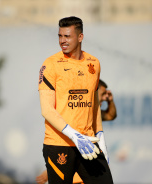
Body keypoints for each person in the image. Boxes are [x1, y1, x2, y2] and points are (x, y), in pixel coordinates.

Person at [38, 16, 113, 184]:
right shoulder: (50, 65)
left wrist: (100, 137)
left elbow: (93, 106)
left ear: (80, 37)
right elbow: (47, 110)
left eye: (67, 36)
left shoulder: (94, 63)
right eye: (60, 36)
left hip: (88, 143)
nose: (62, 41)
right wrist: (75, 136)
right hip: (60, 145)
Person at [36, 79, 117, 184]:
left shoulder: (94, 114)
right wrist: (49, 171)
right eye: (103, 94)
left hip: (91, 171)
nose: (105, 97)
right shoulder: (76, 114)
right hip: (75, 174)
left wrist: (110, 101)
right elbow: (68, 145)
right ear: (94, 92)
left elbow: (111, 115)